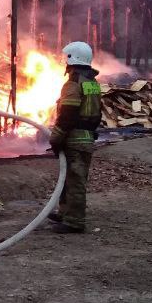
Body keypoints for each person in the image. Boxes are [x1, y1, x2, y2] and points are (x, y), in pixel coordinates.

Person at [47, 41, 102, 234]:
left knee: (75, 181)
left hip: (75, 139)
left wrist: (56, 138)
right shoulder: (92, 82)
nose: (65, 62)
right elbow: (97, 113)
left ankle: (74, 221)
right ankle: (65, 213)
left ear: (72, 58)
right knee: (69, 178)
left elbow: (67, 114)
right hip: (86, 137)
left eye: (66, 58)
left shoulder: (73, 83)